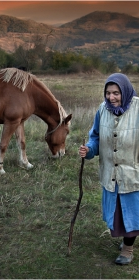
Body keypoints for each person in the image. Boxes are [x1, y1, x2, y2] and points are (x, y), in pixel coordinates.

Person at [79, 73, 139, 265]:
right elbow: (95, 137)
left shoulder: (138, 109)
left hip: (133, 174)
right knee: (119, 213)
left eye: (116, 93)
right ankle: (126, 241)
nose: (111, 97)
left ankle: (128, 249)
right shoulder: (102, 110)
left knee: (133, 213)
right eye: (108, 93)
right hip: (111, 173)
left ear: (125, 91)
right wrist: (89, 150)